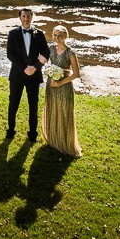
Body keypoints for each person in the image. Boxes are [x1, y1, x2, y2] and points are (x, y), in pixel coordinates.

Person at [5, 8, 50, 142]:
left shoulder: (39, 34)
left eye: (28, 16)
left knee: (33, 105)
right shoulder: (13, 34)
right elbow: (10, 54)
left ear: (32, 17)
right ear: (20, 17)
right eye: (23, 16)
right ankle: (11, 130)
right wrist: (25, 68)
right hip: (17, 75)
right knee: (13, 103)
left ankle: (32, 133)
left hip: (34, 76)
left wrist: (35, 67)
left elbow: (46, 53)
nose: (26, 19)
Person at [43, 25, 82, 157]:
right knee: (53, 109)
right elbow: (43, 60)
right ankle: (53, 140)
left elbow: (76, 74)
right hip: (51, 84)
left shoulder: (70, 52)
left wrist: (60, 82)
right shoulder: (51, 48)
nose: (57, 38)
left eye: (60, 35)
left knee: (64, 112)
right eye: (55, 35)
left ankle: (65, 143)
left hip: (64, 86)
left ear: (65, 37)